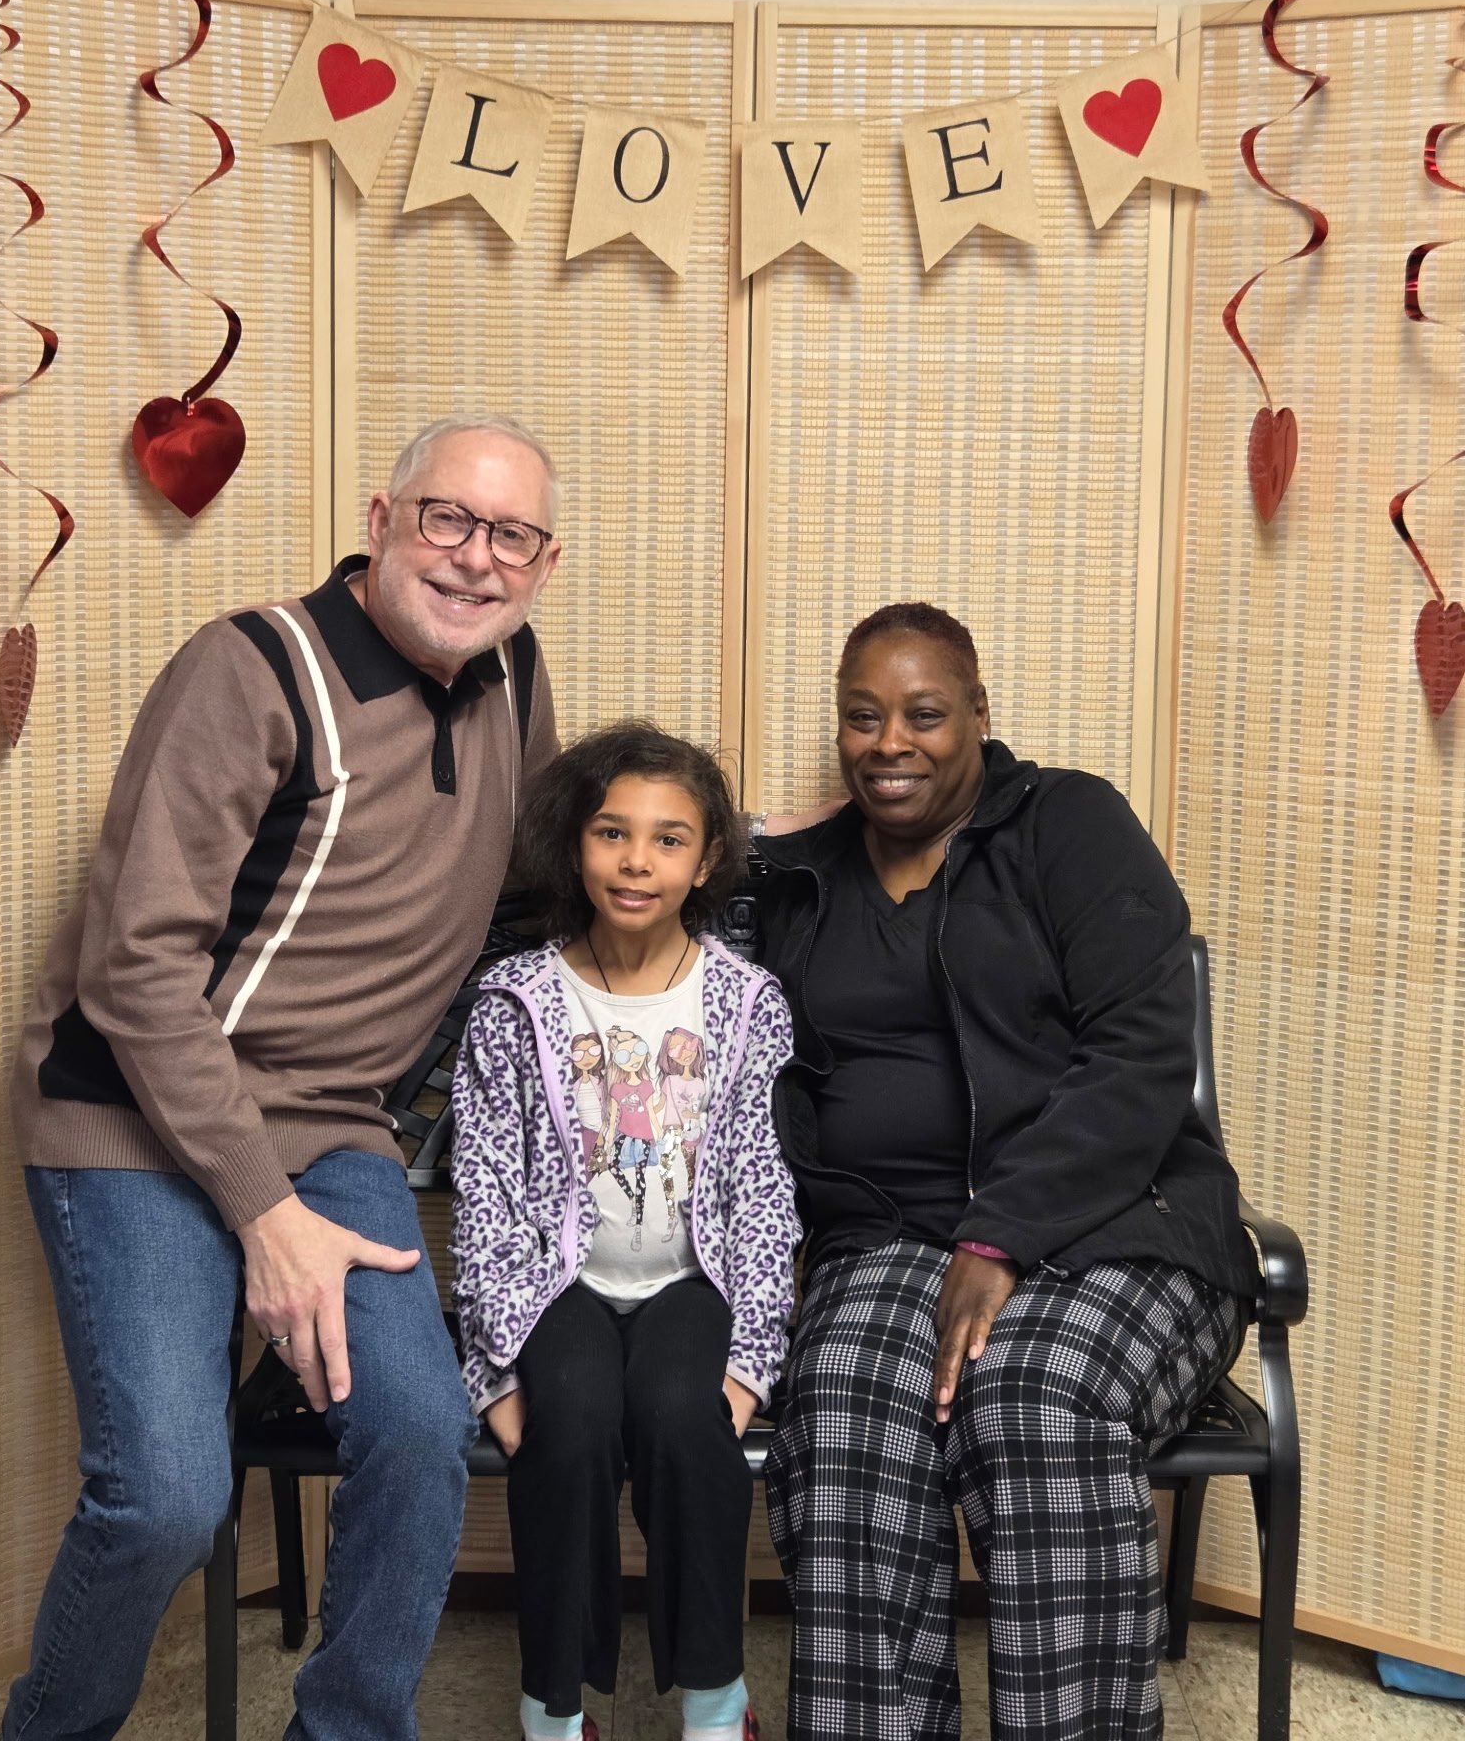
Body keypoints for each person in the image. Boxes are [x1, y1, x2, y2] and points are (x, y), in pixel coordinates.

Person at [3, 413, 562, 1741]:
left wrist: (749, 841)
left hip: (332, 1124)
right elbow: (137, 969)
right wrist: (266, 1214)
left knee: (421, 1436)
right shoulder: (250, 668)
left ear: (543, 564)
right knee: (167, 1497)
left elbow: (552, 871)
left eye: (512, 536)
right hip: (132, 1111)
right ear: (380, 521)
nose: (475, 558)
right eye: (447, 518)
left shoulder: (514, 672)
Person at [754, 602, 1261, 1741]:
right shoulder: (804, 877)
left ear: (980, 714)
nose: (891, 742)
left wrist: (999, 1235)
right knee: (844, 1417)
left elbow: (1142, 1050)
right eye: (862, 717)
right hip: (886, 1232)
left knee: (1034, 1397)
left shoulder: (1068, 823)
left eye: (925, 714)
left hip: (1116, 1222)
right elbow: (636, 868)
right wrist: (753, 834)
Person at [451, 723, 800, 1741]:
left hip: (695, 1283)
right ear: (575, 844)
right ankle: (555, 1709)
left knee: (688, 1419)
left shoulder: (748, 1004)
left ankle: (716, 1703)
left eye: (667, 838)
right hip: (556, 1289)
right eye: (612, 832)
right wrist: (497, 1368)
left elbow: (766, 1191)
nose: (637, 860)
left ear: (708, 859)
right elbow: (485, 1191)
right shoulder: (515, 1001)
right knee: (566, 1422)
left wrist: (751, 1360)